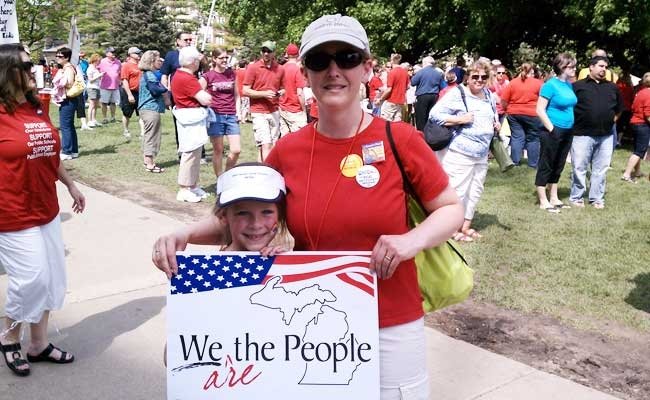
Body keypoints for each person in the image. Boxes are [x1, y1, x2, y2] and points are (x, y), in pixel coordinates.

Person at [152, 14, 464, 400]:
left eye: (347, 57)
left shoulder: (399, 138)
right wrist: (182, 234)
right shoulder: (288, 150)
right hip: (310, 332)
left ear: (367, 67)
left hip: (390, 325)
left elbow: (450, 209)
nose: (334, 71)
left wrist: (411, 242)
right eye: (320, 61)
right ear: (305, 73)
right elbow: (246, 220)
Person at [0, 43, 86, 377]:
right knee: (31, 279)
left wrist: (71, 185)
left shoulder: (37, 106)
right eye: (26, 65)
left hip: (45, 207)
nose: (34, 69)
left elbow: (47, 155)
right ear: (8, 73)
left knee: (51, 280)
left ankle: (38, 344)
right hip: (12, 212)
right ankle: (9, 338)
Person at [430, 60, 499, 242]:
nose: (479, 80)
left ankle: (465, 225)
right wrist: (460, 119)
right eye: (475, 76)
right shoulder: (457, 94)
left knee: (475, 189)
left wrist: (496, 124)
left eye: (484, 77)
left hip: (482, 153)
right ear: (467, 77)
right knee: (457, 190)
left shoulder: (489, 95)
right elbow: (434, 115)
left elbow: (493, 114)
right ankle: (451, 229)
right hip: (460, 151)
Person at [569, 56, 623, 209]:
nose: (603, 69)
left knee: (601, 169)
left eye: (606, 67)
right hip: (582, 134)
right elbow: (569, 108)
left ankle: (597, 198)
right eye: (600, 66)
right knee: (579, 167)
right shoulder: (578, 86)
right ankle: (576, 197)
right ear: (591, 67)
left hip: (606, 135)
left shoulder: (612, 87)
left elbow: (619, 109)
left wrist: (611, 120)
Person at [534, 53, 578, 213]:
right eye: (571, 66)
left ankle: (554, 196)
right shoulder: (550, 85)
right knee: (547, 163)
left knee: (559, 164)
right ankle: (543, 199)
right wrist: (551, 129)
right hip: (552, 130)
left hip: (568, 130)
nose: (574, 69)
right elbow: (539, 109)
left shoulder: (568, 84)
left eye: (574, 66)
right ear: (561, 67)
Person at [170, 46, 213, 203]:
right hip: (190, 117)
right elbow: (205, 99)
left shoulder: (180, 75)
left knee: (195, 152)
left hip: (190, 116)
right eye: (197, 60)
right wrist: (208, 93)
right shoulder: (186, 78)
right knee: (189, 153)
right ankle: (184, 188)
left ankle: (192, 185)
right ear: (193, 62)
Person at [199, 48, 241, 178]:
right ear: (214, 59)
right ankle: (220, 179)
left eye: (226, 58)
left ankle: (227, 175)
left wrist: (238, 112)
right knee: (218, 150)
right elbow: (196, 92)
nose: (224, 60)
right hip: (216, 116)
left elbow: (237, 95)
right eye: (221, 58)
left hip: (231, 115)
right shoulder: (208, 76)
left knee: (236, 150)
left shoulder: (232, 74)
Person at [242, 40, 285, 161]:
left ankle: (261, 170)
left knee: (271, 145)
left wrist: (279, 93)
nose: (266, 54)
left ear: (274, 53)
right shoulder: (253, 67)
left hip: (274, 110)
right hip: (258, 111)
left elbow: (283, 88)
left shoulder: (280, 69)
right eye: (264, 51)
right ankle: (269, 173)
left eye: (269, 51)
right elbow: (245, 90)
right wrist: (263, 94)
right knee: (266, 144)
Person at [501, 63, 543, 168]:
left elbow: (504, 100)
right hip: (533, 113)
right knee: (533, 138)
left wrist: (507, 110)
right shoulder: (538, 83)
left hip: (514, 113)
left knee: (517, 137)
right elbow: (544, 99)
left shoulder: (512, 83)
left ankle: (515, 162)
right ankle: (533, 164)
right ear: (532, 72)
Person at [138, 50, 167, 173]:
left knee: (148, 135)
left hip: (146, 109)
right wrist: (165, 89)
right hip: (150, 109)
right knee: (152, 136)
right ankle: (150, 164)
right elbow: (155, 90)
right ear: (151, 61)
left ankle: (147, 160)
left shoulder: (147, 74)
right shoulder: (150, 75)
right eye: (158, 60)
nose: (160, 62)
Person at [621, 72, 650, 183]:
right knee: (639, 151)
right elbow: (648, 114)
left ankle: (637, 171)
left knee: (637, 149)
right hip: (642, 125)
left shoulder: (640, 92)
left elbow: (633, 107)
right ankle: (627, 174)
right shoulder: (649, 94)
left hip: (634, 123)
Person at [51, 47, 79, 161]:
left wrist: (60, 80)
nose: (58, 58)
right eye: (57, 56)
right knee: (70, 126)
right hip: (69, 99)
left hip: (68, 99)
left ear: (67, 57)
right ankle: (74, 150)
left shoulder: (68, 68)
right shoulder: (66, 68)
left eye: (60, 56)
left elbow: (69, 83)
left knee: (65, 126)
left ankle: (67, 151)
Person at [279, 43, 307, 134]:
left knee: (285, 138)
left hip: (282, 108)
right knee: (300, 138)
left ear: (287, 54)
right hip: (295, 109)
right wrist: (304, 109)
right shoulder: (297, 70)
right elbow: (299, 93)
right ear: (298, 54)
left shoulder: (281, 69)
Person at [410, 56, 444, 130]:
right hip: (435, 96)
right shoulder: (438, 73)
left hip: (422, 96)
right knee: (430, 116)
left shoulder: (421, 72)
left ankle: (421, 135)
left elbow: (413, 82)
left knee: (421, 117)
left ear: (425, 63)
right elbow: (442, 86)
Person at [377, 53, 409, 122]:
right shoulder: (405, 72)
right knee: (397, 124)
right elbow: (407, 87)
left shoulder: (392, 72)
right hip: (400, 102)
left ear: (392, 60)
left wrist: (380, 99)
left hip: (391, 101)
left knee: (385, 123)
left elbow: (389, 89)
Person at [120, 47, 143, 138]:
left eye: (139, 53)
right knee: (127, 114)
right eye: (137, 53)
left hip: (140, 92)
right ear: (131, 54)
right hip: (129, 92)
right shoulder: (126, 65)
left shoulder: (141, 64)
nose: (139, 55)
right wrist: (129, 95)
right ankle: (126, 130)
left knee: (141, 113)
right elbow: (125, 81)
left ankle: (143, 133)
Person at [98, 47, 121, 124]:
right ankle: (105, 118)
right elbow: (97, 70)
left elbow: (120, 72)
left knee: (113, 103)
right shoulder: (102, 61)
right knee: (104, 103)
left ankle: (113, 117)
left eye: (114, 52)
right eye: (112, 52)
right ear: (107, 53)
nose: (114, 53)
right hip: (105, 85)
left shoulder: (118, 62)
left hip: (115, 85)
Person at [85, 53, 104, 128]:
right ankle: (89, 121)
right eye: (98, 61)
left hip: (97, 87)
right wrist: (100, 75)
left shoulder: (95, 68)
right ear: (95, 60)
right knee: (92, 104)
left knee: (96, 105)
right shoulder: (90, 68)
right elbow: (90, 80)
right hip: (92, 88)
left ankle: (94, 119)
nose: (99, 62)